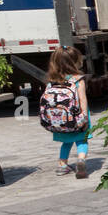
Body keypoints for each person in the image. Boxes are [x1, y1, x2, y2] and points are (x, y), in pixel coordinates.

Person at [44, 47, 91, 179]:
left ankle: (62, 165)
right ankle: (81, 160)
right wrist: (84, 117)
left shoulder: (52, 80)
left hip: (60, 119)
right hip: (77, 117)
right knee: (82, 140)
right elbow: (83, 99)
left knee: (67, 142)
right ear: (75, 62)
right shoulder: (77, 79)